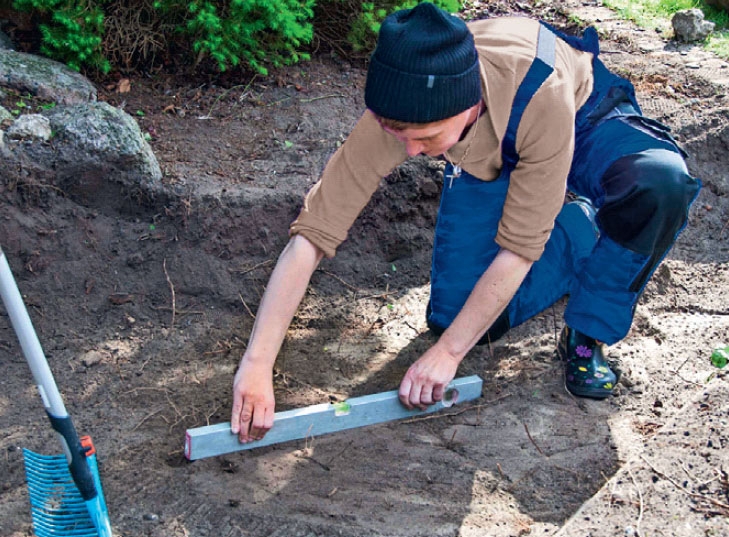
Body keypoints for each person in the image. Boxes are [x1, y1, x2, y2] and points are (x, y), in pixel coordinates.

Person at [230, 2, 700, 443]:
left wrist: (449, 355)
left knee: (659, 184)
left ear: (467, 105)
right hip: (492, 146)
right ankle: (575, 225)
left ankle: (589, 326)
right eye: (400, 136)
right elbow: (312, 234)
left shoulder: (543, 92)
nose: (411, 152)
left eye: (426, 139)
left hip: (578, 116)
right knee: (456, 318)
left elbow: (519, 248)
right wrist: (257, 363)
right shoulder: (403, 106)